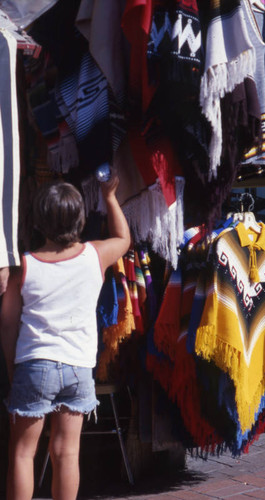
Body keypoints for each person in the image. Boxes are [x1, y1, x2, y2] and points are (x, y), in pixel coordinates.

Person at [0, 171, 130, 500]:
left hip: (34, 364)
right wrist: (110, 196)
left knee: (22, 453)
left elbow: (7, 323)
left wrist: (14, 368)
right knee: (67, 454)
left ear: (39, 221)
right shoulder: (94, 256)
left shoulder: (23, 267)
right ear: (80, 218)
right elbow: (124, 238)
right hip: (78, 368)